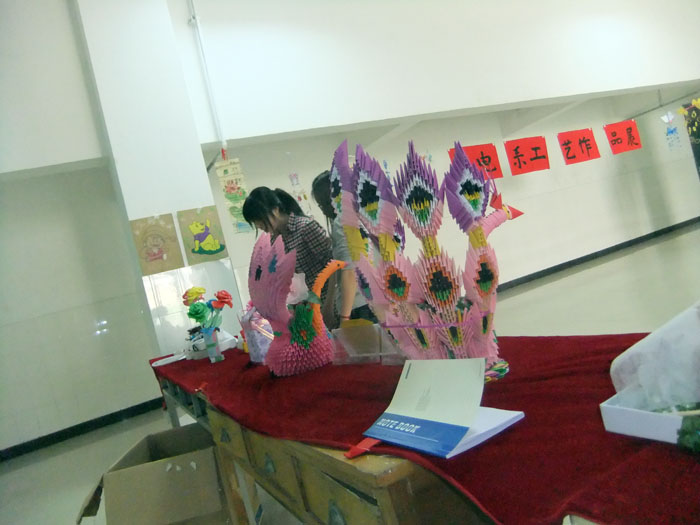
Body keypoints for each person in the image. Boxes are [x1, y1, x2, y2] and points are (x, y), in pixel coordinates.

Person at [311, 171, 377, 324]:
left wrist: (344, 318)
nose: (322, 210)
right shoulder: (364, 214)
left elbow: (350, 271)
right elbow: (338, 266)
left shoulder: (342, 222)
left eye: (323, 204)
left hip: (361, 306)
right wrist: (329, 304)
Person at [242, 186, 332, 295]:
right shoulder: (274, 240)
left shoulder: (305, 227)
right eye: (254, 222)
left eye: (259, 219)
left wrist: (330, 301)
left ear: (275, 210)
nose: (258, 225)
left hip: (327, 296)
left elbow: (333, 265)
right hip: (304, 301)